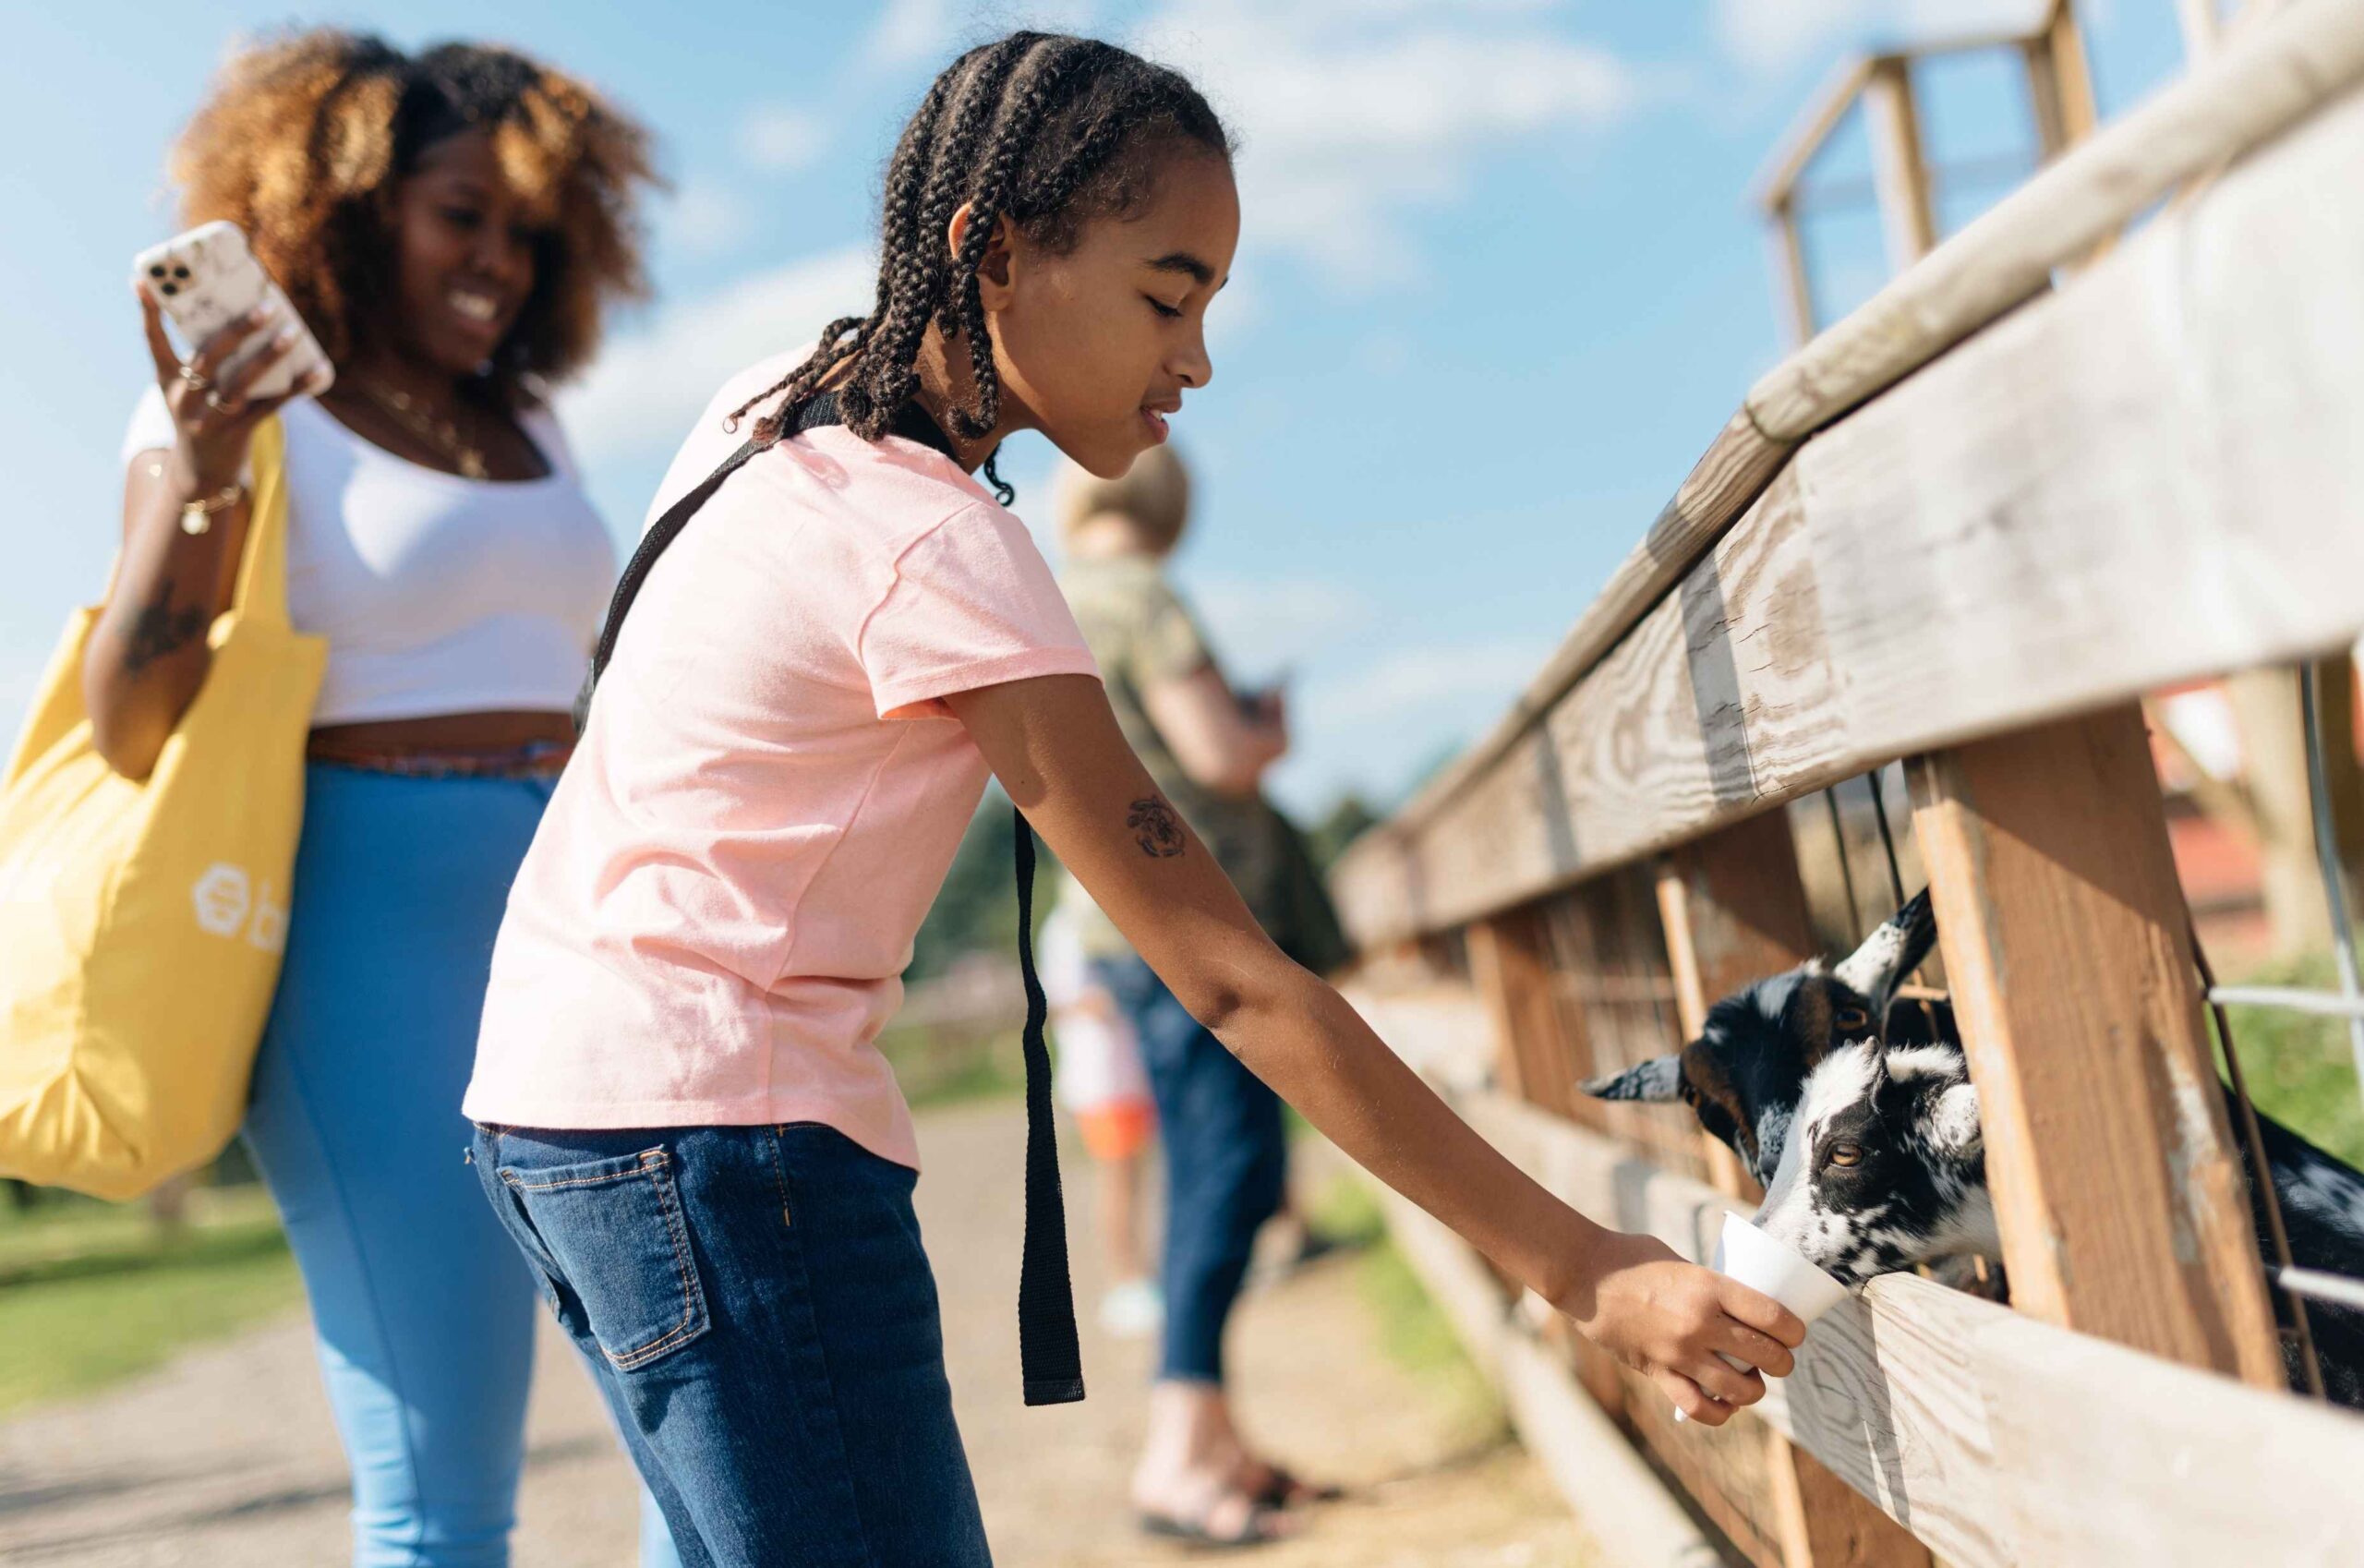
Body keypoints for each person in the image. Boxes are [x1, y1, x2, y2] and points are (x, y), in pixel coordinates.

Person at [462, 30, 1803, 1566]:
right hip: (721, 1138)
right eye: (1168, 294)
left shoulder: (768, 409)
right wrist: (1585, 1267)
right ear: (995, 252)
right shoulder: (938, 549)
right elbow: (1235, 979)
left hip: (552, 1109)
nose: (1198, 358)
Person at [91, 31, 670, 1568]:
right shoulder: (240, 418)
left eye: (526, 227)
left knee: (706, 1400)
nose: (498, 257)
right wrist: (207, 460)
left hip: (584, 913)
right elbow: (130, 720)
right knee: (443, 1476)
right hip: (371, 935)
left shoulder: (530, 424)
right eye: (458, 214)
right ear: (342, 208)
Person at [1051, 444, 1339, 1528]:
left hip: (1114, 929)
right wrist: (1269, 729)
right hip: (1198, 928)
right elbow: (1214, 753)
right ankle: (1178, 1455)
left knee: (1200, 1180)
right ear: (1169, 505)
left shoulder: (1055, 596)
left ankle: (1218, 1443)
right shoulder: (1143, 596)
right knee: (1233, 1180)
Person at [1039, 897, 1164, 1338]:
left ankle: (1142, 1273)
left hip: (1128, 1073)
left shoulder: (1097, 915)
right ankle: (1124, 1281)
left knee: (1137, 1177)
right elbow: (1072, 999)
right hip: (1103, 1078)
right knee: (1118, 1180)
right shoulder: (1069, 924)